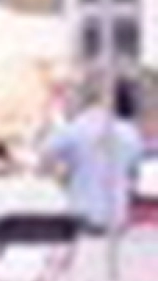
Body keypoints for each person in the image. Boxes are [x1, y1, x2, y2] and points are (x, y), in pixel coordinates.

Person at [39, 73, 143, 235]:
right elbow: (132, 175)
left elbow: (45, 159)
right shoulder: (130, 133)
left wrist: (63, 179)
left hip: (84, 217)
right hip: (117, 220)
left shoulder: (75, 130)